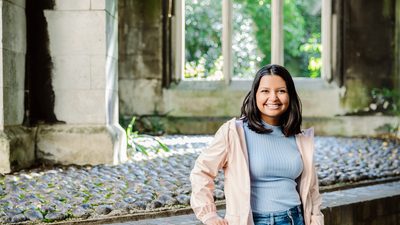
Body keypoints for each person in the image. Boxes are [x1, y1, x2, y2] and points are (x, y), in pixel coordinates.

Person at [190, 64, 324, 225]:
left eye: (281, 91)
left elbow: (311, 189)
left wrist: (316, 220)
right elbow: (202, 171)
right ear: (255, 95)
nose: (273, 97)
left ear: (290, 95)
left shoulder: (300, 138)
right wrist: (208, 215)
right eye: (265, 91)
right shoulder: (234, 132)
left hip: (294, 219)